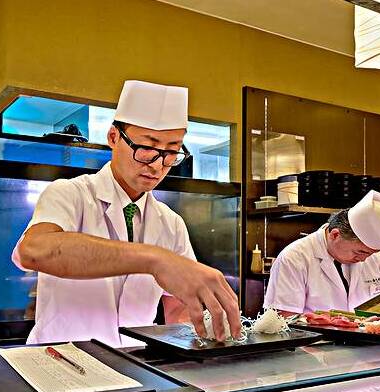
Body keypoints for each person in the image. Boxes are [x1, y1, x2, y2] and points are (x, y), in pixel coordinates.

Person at [12, 80, 241, 346]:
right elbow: (33, 250)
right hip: (62, 359)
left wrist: (201, 334)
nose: (157, 165)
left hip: (136, 361)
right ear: (113, 137)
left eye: (171, 152)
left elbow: (178, 308)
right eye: (147, 148)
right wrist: (154, 260)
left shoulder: (171, 223)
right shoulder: (69, 194)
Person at [264, 190, 380, 314]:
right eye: (360, 252)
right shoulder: (294, 258)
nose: (364, 259)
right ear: (335, 235)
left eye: (371, 253)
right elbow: (284, 318)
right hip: (316, 339)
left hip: (373, 338)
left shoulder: (376, 256)